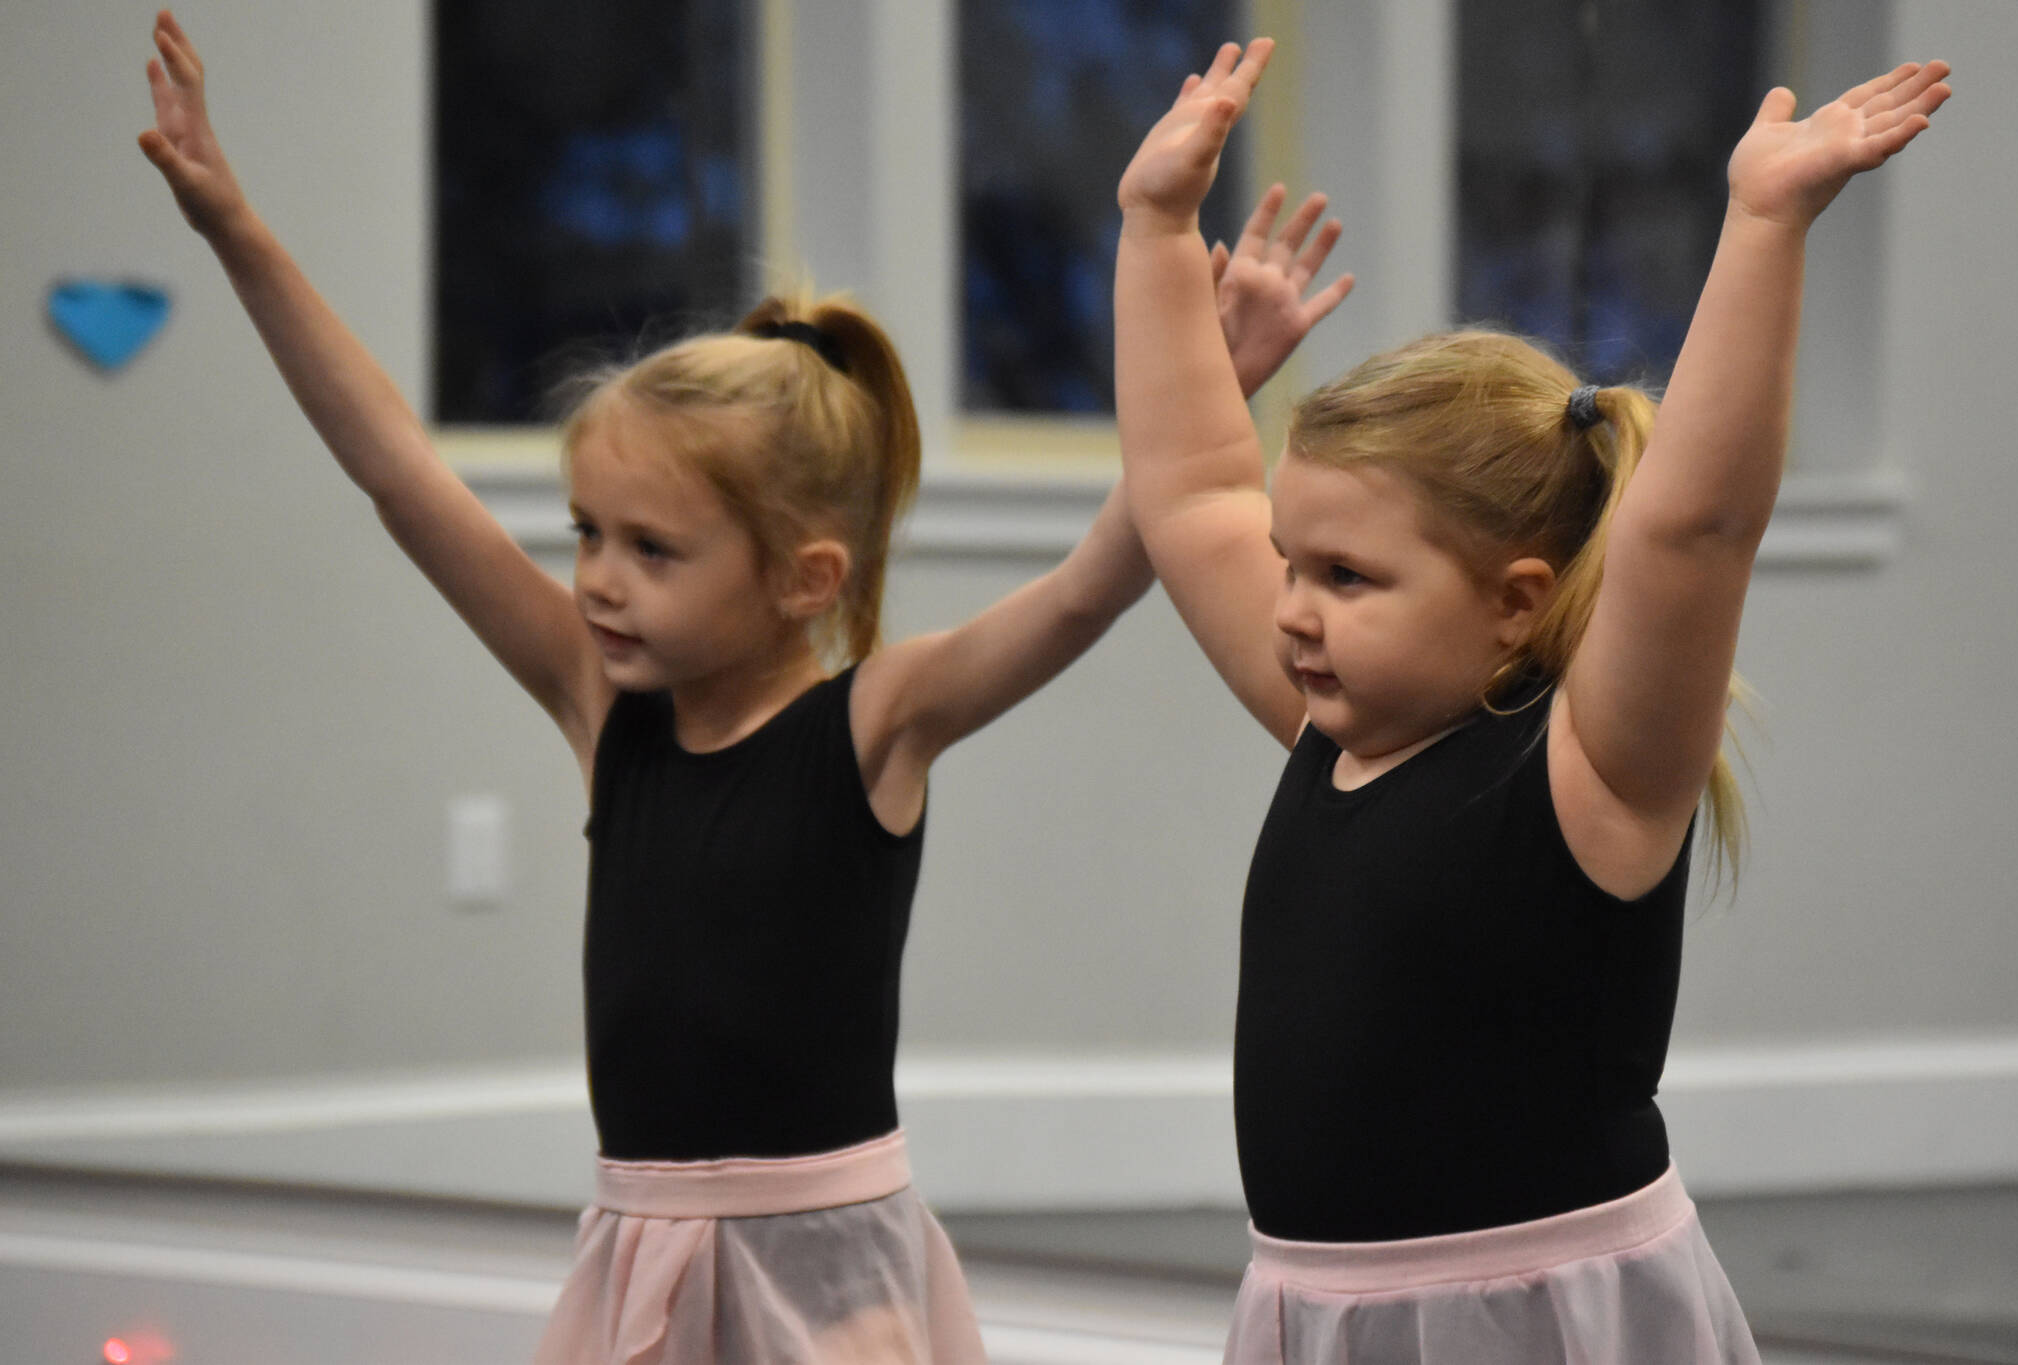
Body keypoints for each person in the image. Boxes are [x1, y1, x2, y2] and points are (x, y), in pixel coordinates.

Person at [135, 12, 1350, 1361]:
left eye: (652, 549)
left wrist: (1212, 393)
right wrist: (236, 230)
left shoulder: (876, 723)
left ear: (804, 577)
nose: (598, 578)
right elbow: (401, 474)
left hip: (827, 1266)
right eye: (587, 532)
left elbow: (1081, 590)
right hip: (637, 1245)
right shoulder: (603, 711)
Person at [1114, 37, 1950, 1365]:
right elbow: (1189, 490)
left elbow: (1697, 527)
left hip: (1544, 1314)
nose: (1291, 608)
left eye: (1346, 574)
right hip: (1319, 1309)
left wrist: (1762, 223)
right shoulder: (1334, 726)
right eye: (1290, 562)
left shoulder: (1589, 775)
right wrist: (1156, 227)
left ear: (1514, 598)